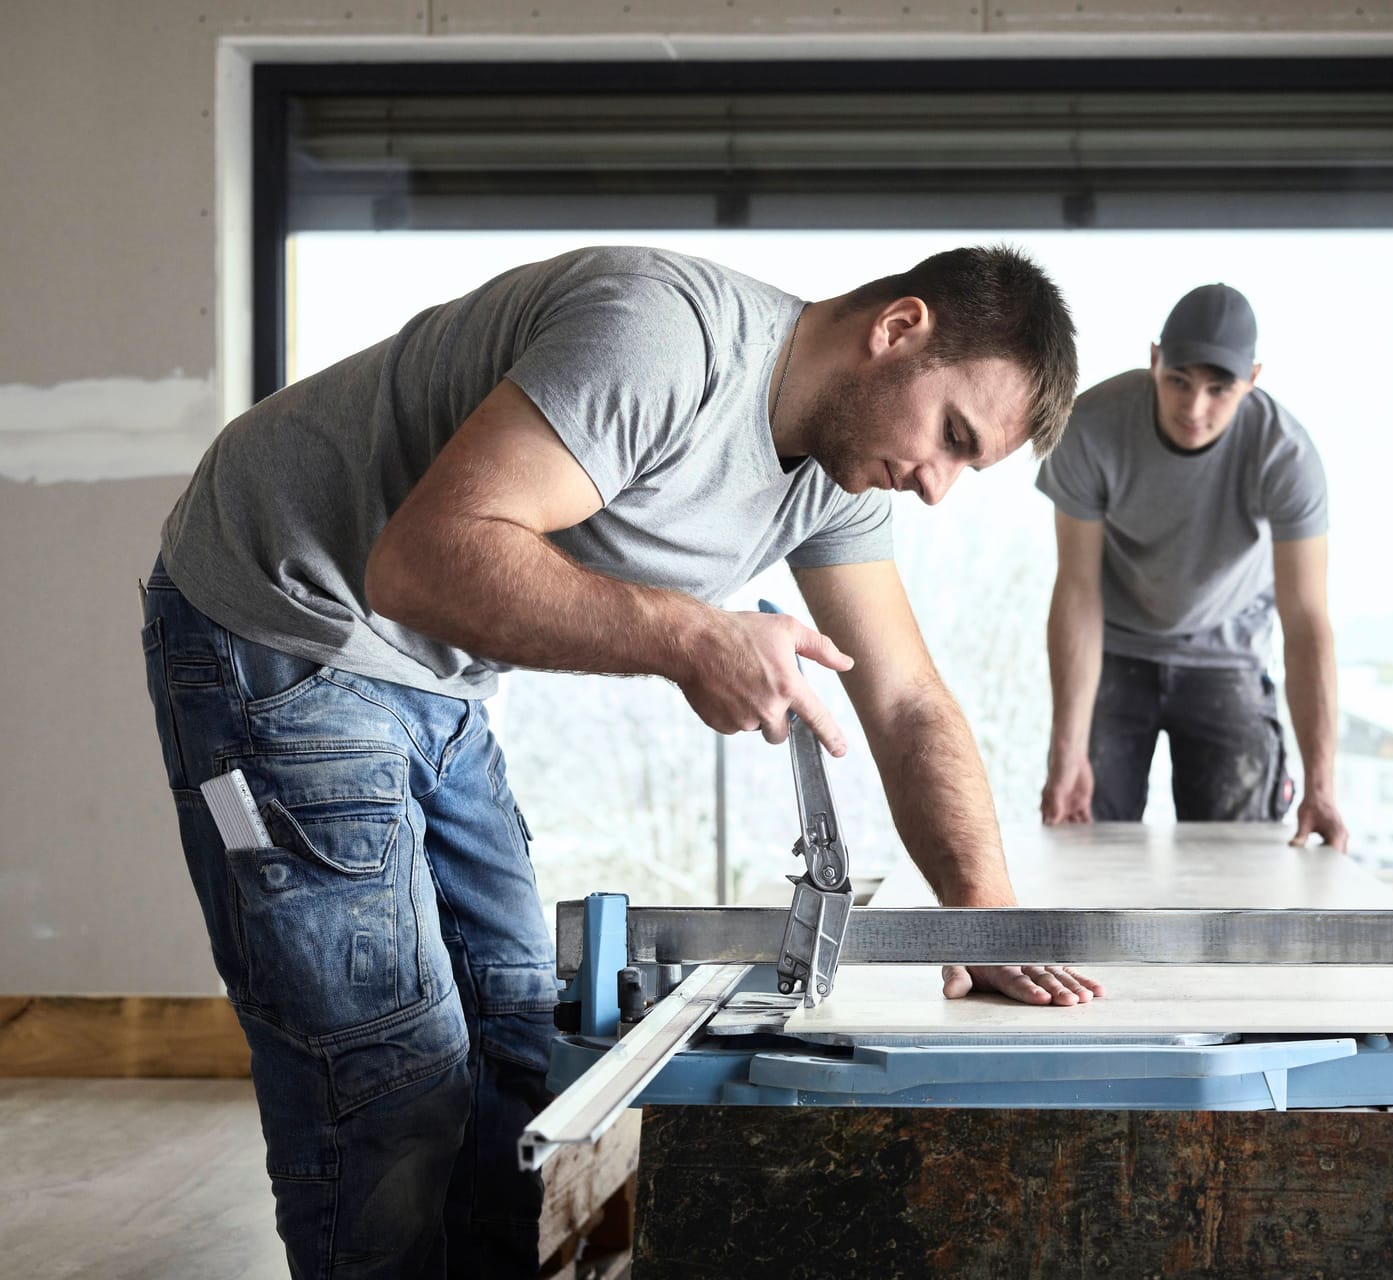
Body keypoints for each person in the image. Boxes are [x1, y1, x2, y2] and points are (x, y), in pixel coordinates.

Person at [139, 243, 1103, 1279]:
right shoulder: (663, 339)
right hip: (283, 616)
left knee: (518, 1038)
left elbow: (907, 699)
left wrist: (982, 913)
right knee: (386, 1072)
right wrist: (691, 637)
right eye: (952, 437)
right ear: (898, 328)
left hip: (436, 677)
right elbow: (419, 560)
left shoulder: (838, 481)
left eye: (971, 466)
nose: (936, 487)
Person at [1035, 283, 1349, 850]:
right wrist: (1068, 751)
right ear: (1154, 360)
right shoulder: (1090, 428)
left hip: (1226, 651)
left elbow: (1306, 622)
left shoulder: (1287, 456)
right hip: (1116, 649)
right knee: (1082, 840)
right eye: (1178, 381)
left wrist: (1322, 786)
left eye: (1218, 389)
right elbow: (1077, 592)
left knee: (1245, 860)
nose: (1193, 408)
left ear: (1251, 380)